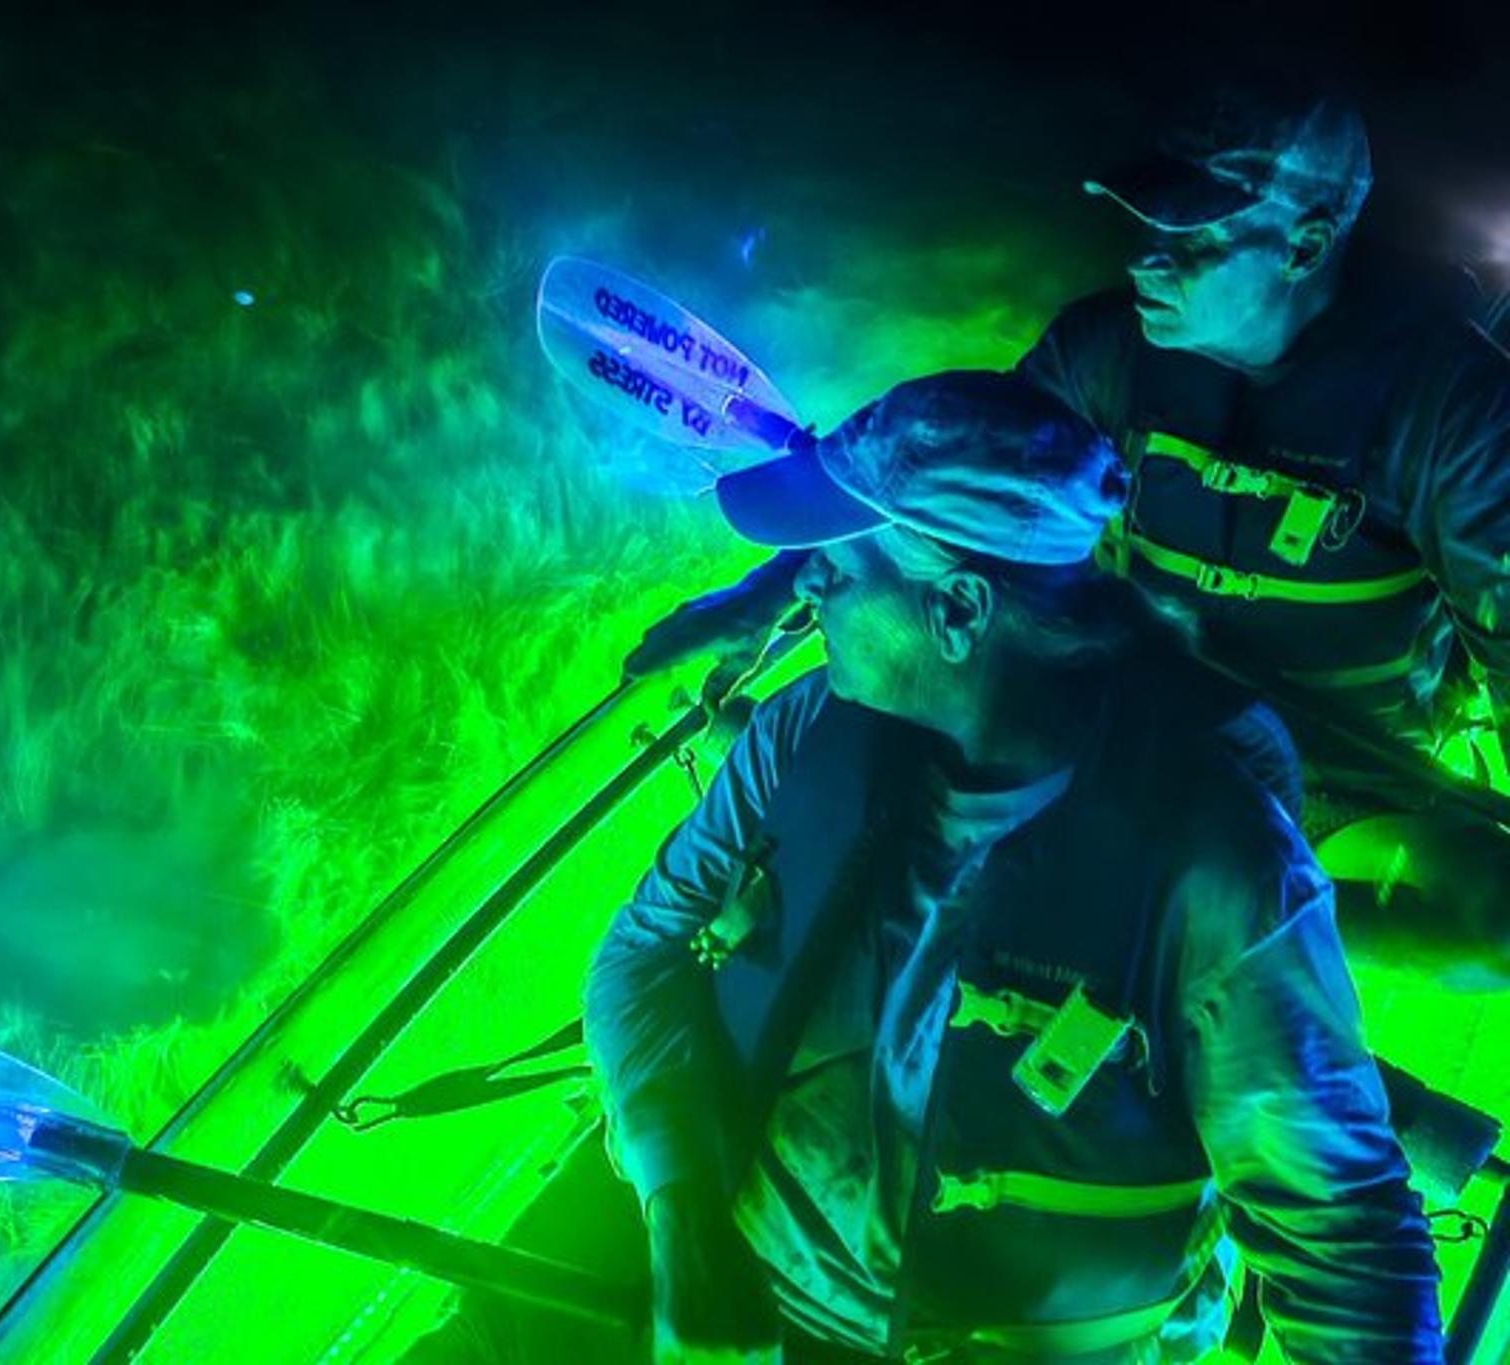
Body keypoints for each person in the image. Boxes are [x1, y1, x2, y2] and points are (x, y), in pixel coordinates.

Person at [588, 369, 1441, 1362]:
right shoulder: (800, 734)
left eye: (839, 563)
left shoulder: (1219, 869)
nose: (805, 582)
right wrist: (681, 1224)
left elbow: (1344, 1250)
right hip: (748, 1289)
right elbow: (637, 951)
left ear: (955, 612)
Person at [626, 89, 1510, 986]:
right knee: (910, 719)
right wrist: (758, 599)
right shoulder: (1106, 347)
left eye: (1192, 239)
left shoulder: (1454, 412)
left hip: (1346, 773)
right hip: (1124, 708)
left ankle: (1225, 916)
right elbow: (943, 477)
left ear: (1306, 245)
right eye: (1147, 228)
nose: (1147, 264)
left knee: (1491, 922)